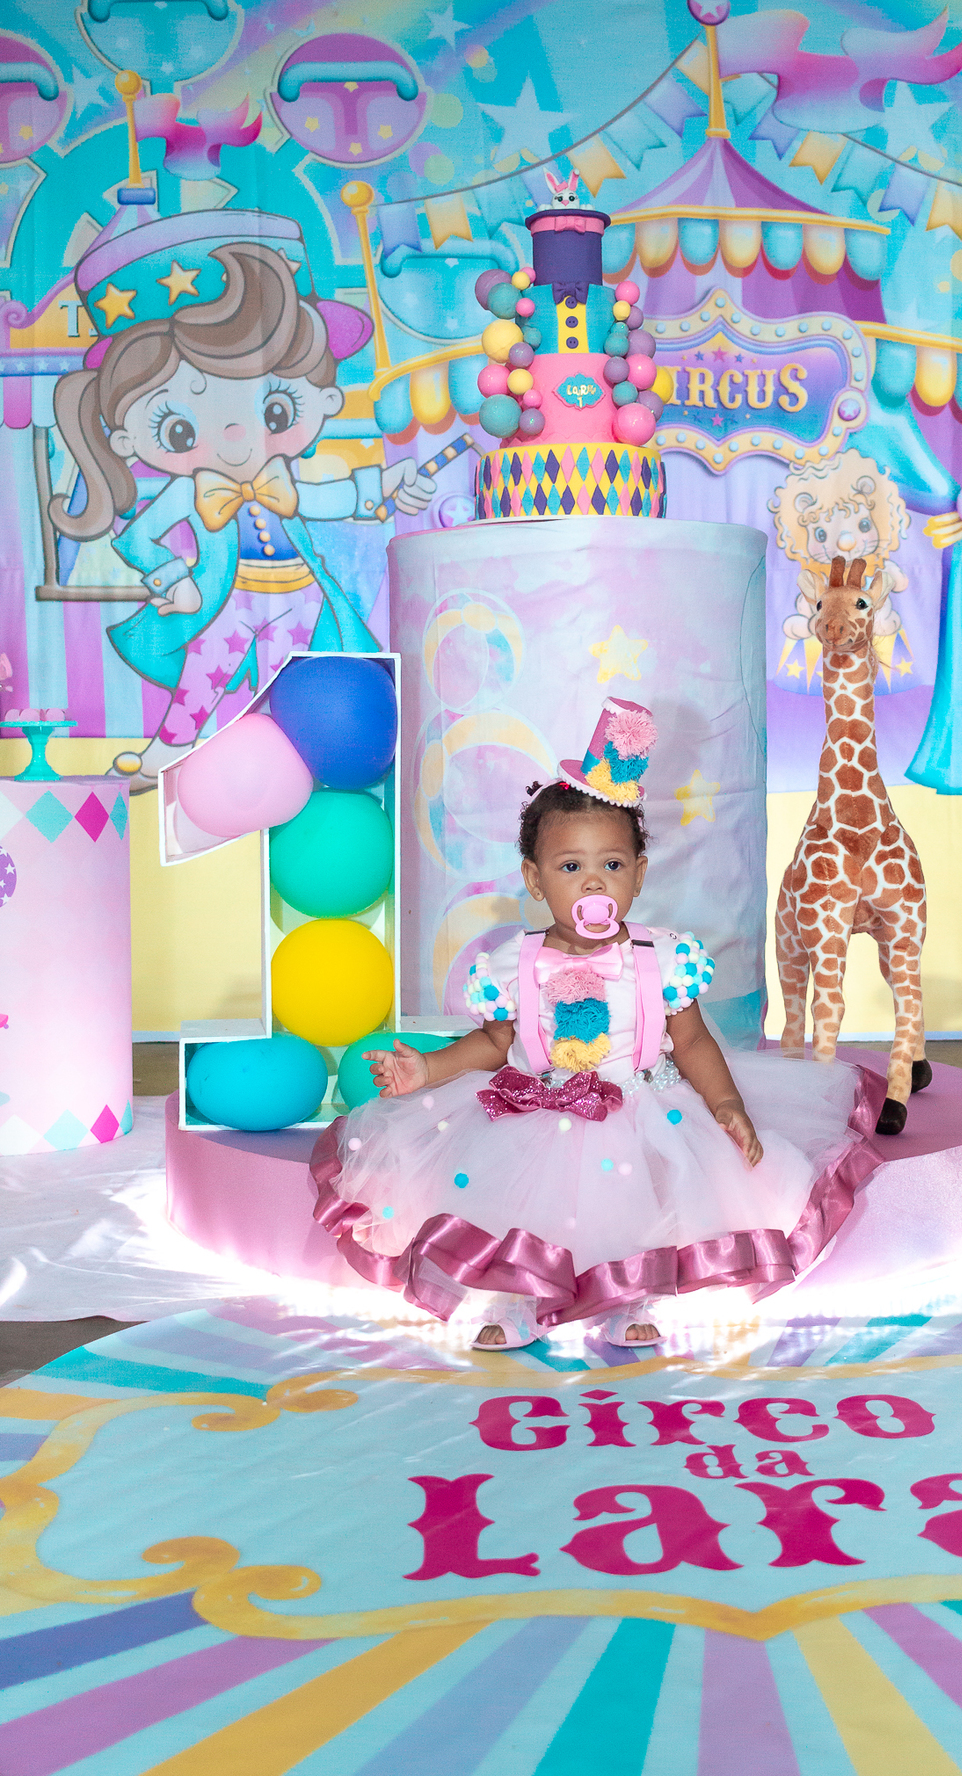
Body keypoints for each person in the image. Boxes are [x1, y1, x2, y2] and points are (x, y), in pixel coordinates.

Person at [311, 698, 876, 1350]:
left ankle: (631, 1294)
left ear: (639, 874)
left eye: (611, 865)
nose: (592, 884)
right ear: (534, 878)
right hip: (534, 1112)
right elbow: (495, 1041)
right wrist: (430, 1068)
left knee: (643, 1204)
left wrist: (726, 1104)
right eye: (570, 867)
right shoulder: (512, 963)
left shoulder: (663, 957)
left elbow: (691, 1040)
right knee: (516, 1205)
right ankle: (512, 1297)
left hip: (643, 1107)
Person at [50, 212, 435, 785]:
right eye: (179, 427)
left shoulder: (281, 479)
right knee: (203, 673)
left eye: (274, 409)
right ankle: (168, 755)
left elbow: (323, 499)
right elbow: (136, 538)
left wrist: (383, 483)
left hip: (301, 596)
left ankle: (271, 771)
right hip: (227, 597)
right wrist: (174, 578)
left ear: (326, 400)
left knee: (283, 689)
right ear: (128, 440)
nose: (236, 436)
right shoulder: (192, 489)